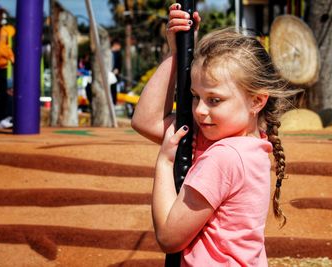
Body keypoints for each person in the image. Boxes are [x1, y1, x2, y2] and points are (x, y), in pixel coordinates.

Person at [131, 3, 301, 266]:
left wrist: (165, 162)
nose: (199, 110)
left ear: (257, 101)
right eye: (195, 96)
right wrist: (176, 53)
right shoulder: (242, 144)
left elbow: (168, 237)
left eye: (215, 100)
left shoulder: (224, 157)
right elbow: (145, 120)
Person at [110, 38, 123, 105]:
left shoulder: (119, 54)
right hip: (108, 75)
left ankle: (113, 104)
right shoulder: (109, 52)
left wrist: (117, 70)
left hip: (114, 76)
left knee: (114, 91)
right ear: (115, 45)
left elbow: (119, 65)